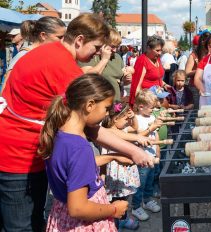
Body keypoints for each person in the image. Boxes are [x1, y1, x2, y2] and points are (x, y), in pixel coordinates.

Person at [0, 14, 153, 232]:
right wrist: (133, 150)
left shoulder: (48, 51)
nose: (99, 53)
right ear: (79, 40)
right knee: (21, 226)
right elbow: (91, 127)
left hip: (20, 148)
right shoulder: (64, 67)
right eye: (97, 46)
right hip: (18, 156)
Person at [38, 74, 132, 231]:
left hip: (62, 216)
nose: (108, 114)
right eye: (106, 108)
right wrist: (114, 209)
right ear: (90, 105)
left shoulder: (58, 133)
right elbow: (78, 208)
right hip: (84, 223)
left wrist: (111, 157)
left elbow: (74, 169)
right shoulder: (79, 147)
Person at [101, 101, 143, 230]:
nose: (127, 121)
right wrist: (138, 138)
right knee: (114, 201)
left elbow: (135, 127)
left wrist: (132, 117)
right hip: (114, 177)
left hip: (124, 175)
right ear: (115, 119)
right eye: (125, 118)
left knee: (124, 199)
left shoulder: (122, 129)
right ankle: (115, 225)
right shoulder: (107, 133)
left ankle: (123, 219)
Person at [1, 16, 66, 94]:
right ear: (43, 35)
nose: (63, 41)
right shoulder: (23, 55)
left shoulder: (48, 54)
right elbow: (5, 88)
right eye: (60, 37)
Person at [130, 89, 162, 221]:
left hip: (152, 155)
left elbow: (156, 136)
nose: (153, 110)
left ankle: (147, 200)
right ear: (141, 106)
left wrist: (158, 150)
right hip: (142, 157)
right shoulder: (136, 119)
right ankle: (136, 206)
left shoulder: (152, 117)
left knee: (150, 180)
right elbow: (136, 137)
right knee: (140, 183)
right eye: (151, 108)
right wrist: (151, 128)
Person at [80, 28, 133, 101]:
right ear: (103, 43)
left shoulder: (117, 57)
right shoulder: (92, 56)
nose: (115, 50)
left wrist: (126, 79)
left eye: (117, 47)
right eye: (112, 46)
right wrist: (104, 59)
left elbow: (120, 81)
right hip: (98, 103)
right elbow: (89, 78)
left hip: (116, 102)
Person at [129, 35, 170, 107]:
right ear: (148, 49)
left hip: (157, 97)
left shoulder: (157, 59)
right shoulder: (142, 61)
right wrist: (139, 105)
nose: (160, 53)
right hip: (147, 101)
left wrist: (164, 84)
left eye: (161, 50)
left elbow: (157, 77)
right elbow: (137, 85)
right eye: (157, 50)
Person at [185, 32, 210, 109]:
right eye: (207, 43)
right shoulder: (194, 55)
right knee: (196, 111)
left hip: (208, 86)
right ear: (202, 42)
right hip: (195, 87)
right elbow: (187, 72)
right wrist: (199, 70)